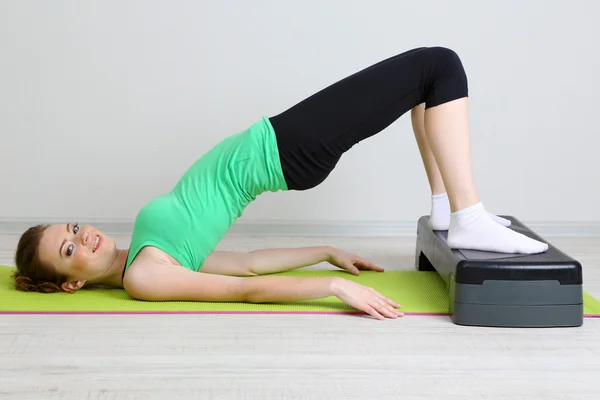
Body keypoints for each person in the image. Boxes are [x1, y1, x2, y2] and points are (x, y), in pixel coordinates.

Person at [12, 46, 548, 321]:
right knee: (440, 66)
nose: (84, 237)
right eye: (69, 248)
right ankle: (467, 215)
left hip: (280, 142)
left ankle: (446, 210)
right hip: (286, 148)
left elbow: (244, 263)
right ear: (71, 283)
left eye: (74, 228)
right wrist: (334, 288)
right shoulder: (144, 278)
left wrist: (326, 252)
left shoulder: (141, 255)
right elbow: (245, 291)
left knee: (424, 86)